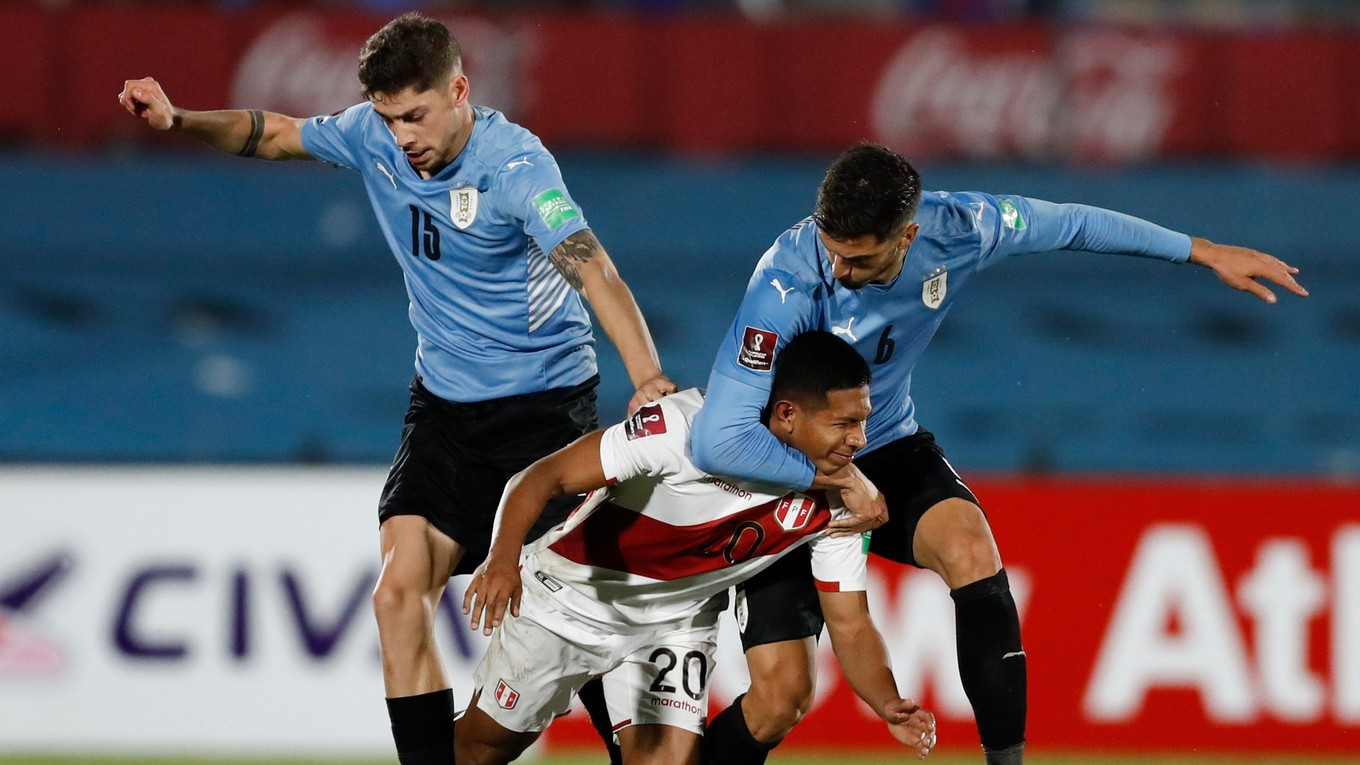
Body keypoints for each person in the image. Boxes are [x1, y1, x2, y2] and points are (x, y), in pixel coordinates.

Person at [118, 13, 675, 765]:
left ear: (459, 91)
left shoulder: (518, 167)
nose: (403, 135)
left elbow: (591, 266)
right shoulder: (372, 137)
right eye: (389, 117)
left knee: (572, 618)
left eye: (416, 115)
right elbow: (274, 132)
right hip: (444, 410)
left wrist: (646, 377)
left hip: (543, 413)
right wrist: (180, 119)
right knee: (395, 595)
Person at [689, 142, 1309, 765]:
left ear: (908, 236)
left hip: (883, 445)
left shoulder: (964, 227)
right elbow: (718, 440)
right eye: (833, 251)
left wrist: (1201, 251)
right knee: (782, 699)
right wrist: (838, 482)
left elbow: (1072, 223)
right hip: (781, 470)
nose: (841, 271)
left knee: (969, 546)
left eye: (859, 258)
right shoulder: (786, 278)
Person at [458, 331, 937, 765]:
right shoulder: (682, 428)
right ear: (787, 413)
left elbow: (850, 623)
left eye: (863, 422)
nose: (860, 439)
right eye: (845, 423)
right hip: (571, 601)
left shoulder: (844, 499)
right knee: (480, 751)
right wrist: (502, 560)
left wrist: (888, 704)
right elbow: (544, 476)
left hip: (676, 620)